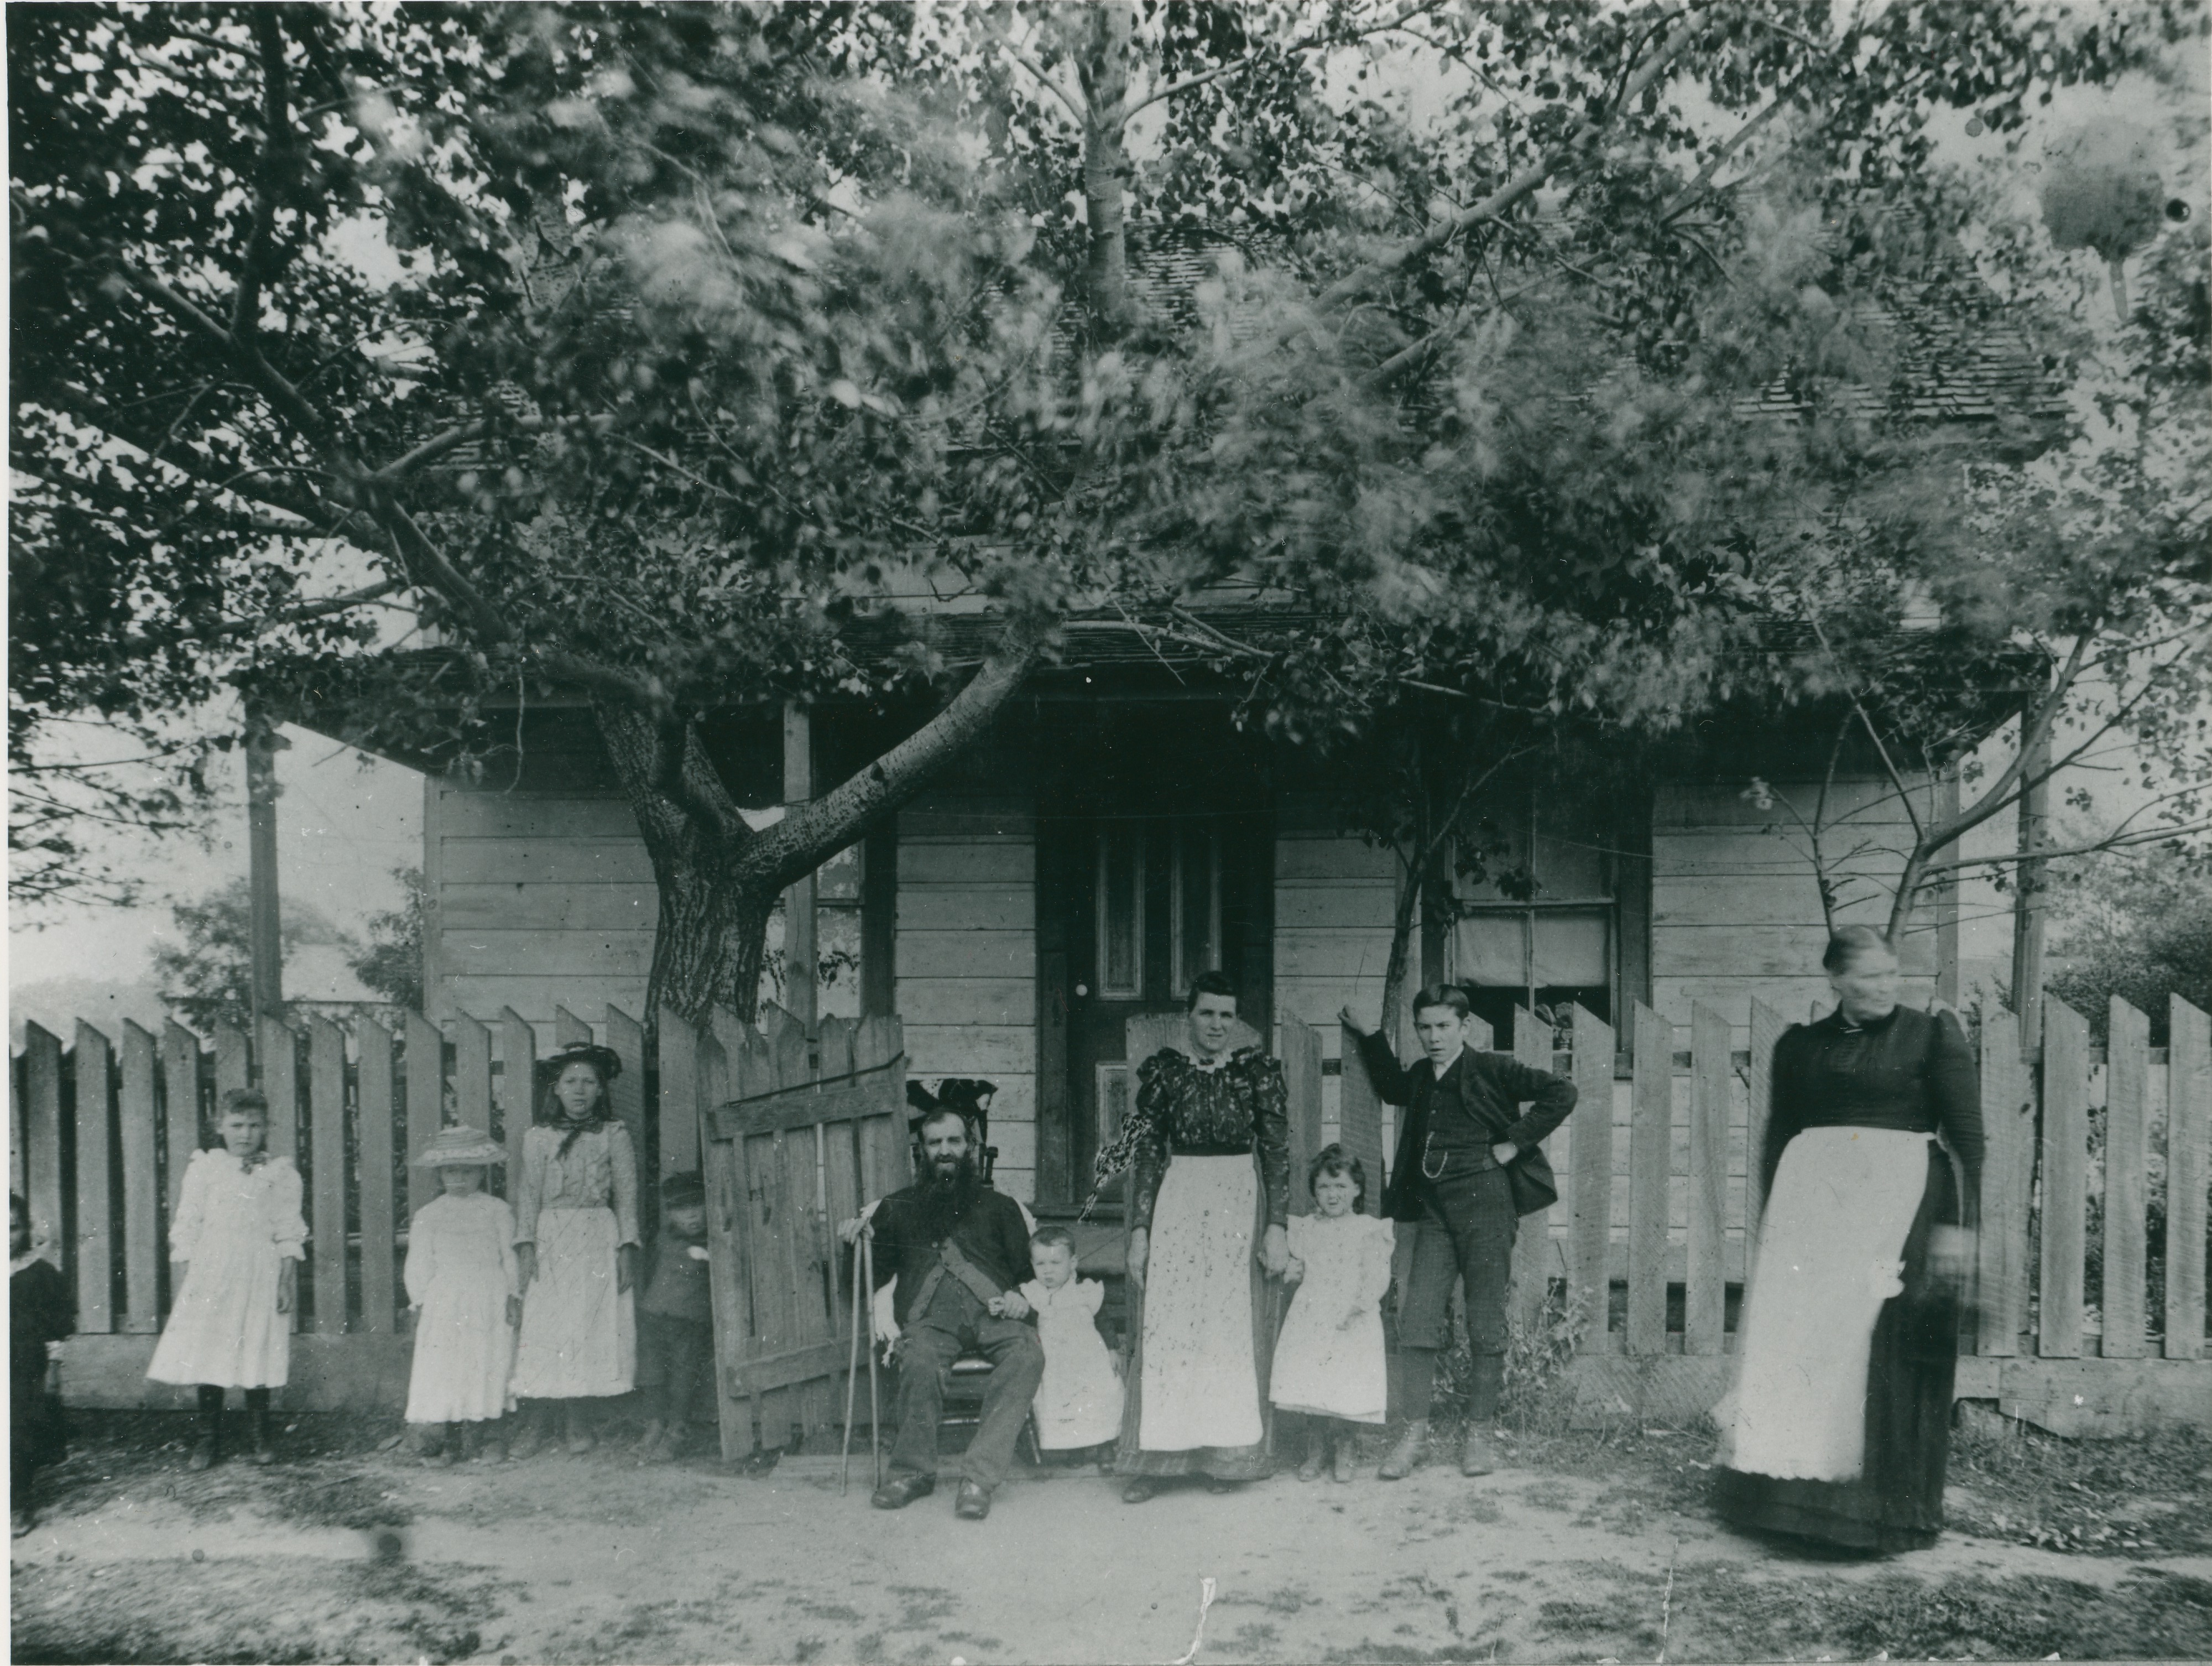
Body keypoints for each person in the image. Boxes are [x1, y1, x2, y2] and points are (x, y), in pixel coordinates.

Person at [1713, 926, 1983, 1553]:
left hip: (1901, 1209)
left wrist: (1962, 1229)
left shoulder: (1931, 1035)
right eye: (1868, 977)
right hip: (1813, 1218)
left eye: (1891, 974)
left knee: (1882, 1348)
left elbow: (1969, 1137)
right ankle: (1790, 1507)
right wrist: (1773, 1228)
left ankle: (1881, 1515)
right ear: (1835, 980)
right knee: (1805, 1350)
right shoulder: (1800, 1046)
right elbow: (1778, 1135)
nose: (1885, 987)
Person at [1343, 983, 1577, 1480]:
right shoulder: (1421, 1075)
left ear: (1465, 1027)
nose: (1434, 1037)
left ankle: (1479, 1435)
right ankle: (1414, 1436)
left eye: (1444, 1027)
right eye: (1424, 1028)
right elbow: (1392, 1088)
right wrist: (1369, 1035)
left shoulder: (1491, 1069)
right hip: (1435, 1213)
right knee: (1418, 1319)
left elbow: (1562, 1092)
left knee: (1485, 1318)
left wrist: (1513, 1143)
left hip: (1487, 1208)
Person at [1102, 969, 1291, 1503]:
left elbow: (1276, 1152)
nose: (1216, 1024)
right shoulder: (1167, 1074)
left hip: (1237, 1199)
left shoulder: (1255, 1073)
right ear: (1189, 1016)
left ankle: (1222, 1458)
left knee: (1226, 1327)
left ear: (1236, 1021)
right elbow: (1146, 1152)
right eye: (1206, 1013)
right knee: (1171, 1324)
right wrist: (1141, 1230)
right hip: (1179, 1197)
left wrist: (1277, 1225)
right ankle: (1158, 1463)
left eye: (1226, 1015)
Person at [858, 1106, 1044, 1521]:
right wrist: (855, 1242)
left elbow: (1028, 1276)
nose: (945, 1150)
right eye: (935, 1143)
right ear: (921, 1151)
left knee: (1027, 1354)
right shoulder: (895, 1208)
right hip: (929, 1318)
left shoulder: (1002, 1208)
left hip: (994, 1315)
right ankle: (912, 1473)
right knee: (918, 1360)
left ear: (969, 1147)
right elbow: (869, 1276)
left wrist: (1020, 1298)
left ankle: (979, 1478)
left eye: (954, 1141)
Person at [146, 1089, 307, 1469]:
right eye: (236, 1125)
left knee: (257, 1346)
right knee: (210, 1349)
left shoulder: (281, 1174)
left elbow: (288, 1231)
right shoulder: (205, 1169)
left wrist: (285, 1282)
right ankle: (208, 1438)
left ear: (266, 1128)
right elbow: (187, 1225)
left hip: (260, 1271)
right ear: (219, 1126)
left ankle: (259, 1435)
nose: (245, 1134)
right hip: (213, 1272)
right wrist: (191, 1280)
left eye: (254, 1126)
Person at [509, 1042, 641, 1457]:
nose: (579, 1090)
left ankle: (576, 1420)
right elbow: (528, 1194)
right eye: (571, 1082)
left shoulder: (613, 1135)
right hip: (550, 1236)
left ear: (601, 1089)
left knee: (585, 1325)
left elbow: (627, 1195)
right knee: (545, 1327)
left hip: (596, 1236)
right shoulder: (537, 1138)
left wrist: (626, 1246)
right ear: (557, 1088)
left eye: (589, 1082)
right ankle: (535, 1420)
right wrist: (526, 1245)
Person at [1271, 1146, 1395, 1483]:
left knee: (1347, 1381)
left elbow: (1377, 1274)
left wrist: (1360, 1305)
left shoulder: (1368, 1229)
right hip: (1313, 1315)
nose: (1332, 1194)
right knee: (1314, 1380)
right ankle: (1316, 1448)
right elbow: (1297, 1265)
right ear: (1314, 1191)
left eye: (1341, 1186)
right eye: (1324, 1187)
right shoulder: (1307, 1228)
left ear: (1356, 1189)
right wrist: (1291, 1271)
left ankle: (1346, 1447)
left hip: (1351, 1318)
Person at [403, 1126, 520, 1466]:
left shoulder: (497, 1210)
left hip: (488, 1295)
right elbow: (419, 1263)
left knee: (489, 1360)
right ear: (440, 1174)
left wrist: (513, 1294)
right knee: (450, 1367)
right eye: (451, 1171)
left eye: (468, 1171)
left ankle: (492, 1437)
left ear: (481, 1172)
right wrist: (419, 1301)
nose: (459, 1178)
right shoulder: (429, 1215)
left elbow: (509, 1255)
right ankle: (452, 1441)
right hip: (447, 1300)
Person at [1019, 1224, 1123, 1460]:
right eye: (1040, 1264)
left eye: (1056, 1263)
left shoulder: (1085, 1291)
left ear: (1073, 1262)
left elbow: (1103, 1321)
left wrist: (1112, 1349)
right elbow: (1028, 1325)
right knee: (1063, 1403)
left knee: (1101, 1397)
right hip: (1056, 1364)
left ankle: (1105, 1445)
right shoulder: (1033, 1293)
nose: (1048, 1271)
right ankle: (1075, 1449)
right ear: (1032, 1264)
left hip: (1090, 1359)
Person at [636, 1171, 715, 1463]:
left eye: (697, 1206)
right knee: (652, 1372)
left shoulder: (714, 1240)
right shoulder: (665, 1236)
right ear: (670, 1213)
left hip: (689, 1320)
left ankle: (677, 1431)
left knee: (683, 1374)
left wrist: (707, 1254)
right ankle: (655, 1425)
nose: (691, 1215)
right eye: (681, 1209)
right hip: (654, 1314)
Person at [12, 1192, 72, 1536]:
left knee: (18, 1429)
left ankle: (17, 1503)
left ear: (26, 1229)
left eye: (13, 1228)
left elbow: (55, 1327)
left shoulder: (39, 1274)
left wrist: (53, 1367)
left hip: (24, 1366)